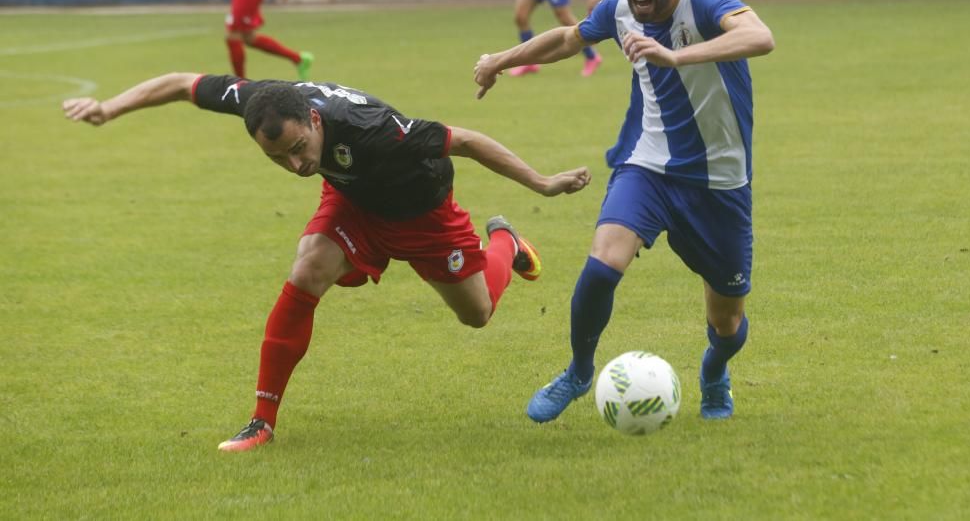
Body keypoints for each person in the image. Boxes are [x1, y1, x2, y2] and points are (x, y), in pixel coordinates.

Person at [63, 73, 592, 451]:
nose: (295, 166)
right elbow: (182, 83)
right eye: (277, 159)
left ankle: (505, 242)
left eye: (298, 148)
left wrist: (543, 183)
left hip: (423, 211)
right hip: (355, 203)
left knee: (476, 314)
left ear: (314, 119)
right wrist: (110, 108)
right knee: (308, 267)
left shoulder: (374, 128)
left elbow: (469, 141)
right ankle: (261, 422)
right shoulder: (265, 101)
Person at [473, 0, 774, 422]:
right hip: (649, 167)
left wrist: (679, 57)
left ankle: (715, 373)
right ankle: (578, 370)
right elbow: (570, 38)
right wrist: (502, 58)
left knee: (727, 321)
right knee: (602, 263)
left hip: (720, 180)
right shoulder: (619, 7)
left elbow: (760, 36)